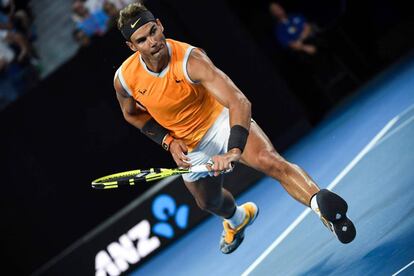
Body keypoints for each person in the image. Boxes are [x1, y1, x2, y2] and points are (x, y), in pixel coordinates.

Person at [113, 1, 356, 254]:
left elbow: (238, 101)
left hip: (219, 121)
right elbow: (132, 115)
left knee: (270, 160)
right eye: (141, 40)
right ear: (132, 47)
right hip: (186, 144)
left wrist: (233, 151)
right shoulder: (124, 79)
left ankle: (321, 205)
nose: (152, 41)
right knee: (208, 201)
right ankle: (237, 219)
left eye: (153, 31)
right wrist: (168, 141)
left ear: (160, 25)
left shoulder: (191, 60)